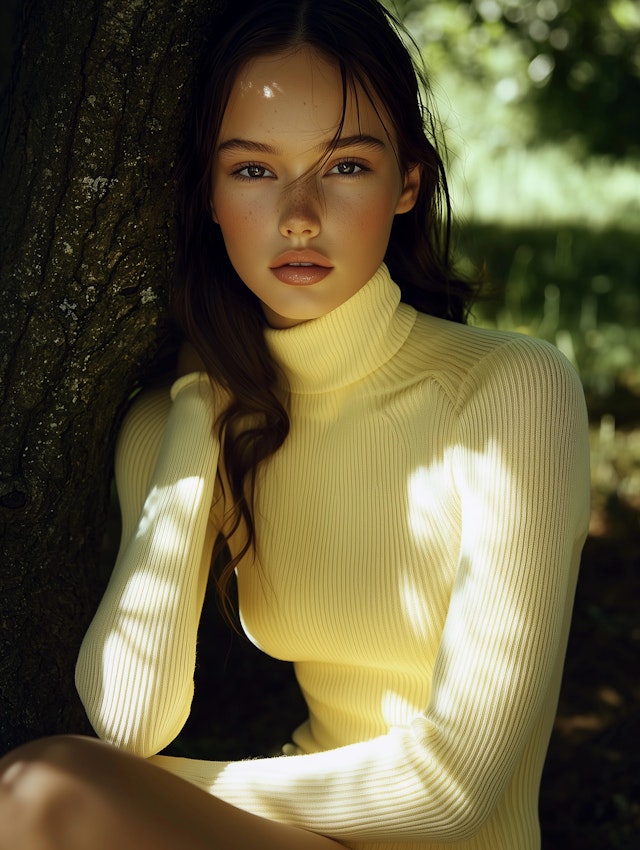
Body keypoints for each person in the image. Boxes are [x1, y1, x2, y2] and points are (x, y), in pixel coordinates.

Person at [0, 1, 590, 848]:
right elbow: (129, 718)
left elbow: (454, 789)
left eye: (344, 166)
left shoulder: (510, 393)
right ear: (206, 191)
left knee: (38, 792)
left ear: (408, 184)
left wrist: (150, 792)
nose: (300, 213)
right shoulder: (173, 425)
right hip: (292, 831)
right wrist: (202, 407)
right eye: (252, 170)